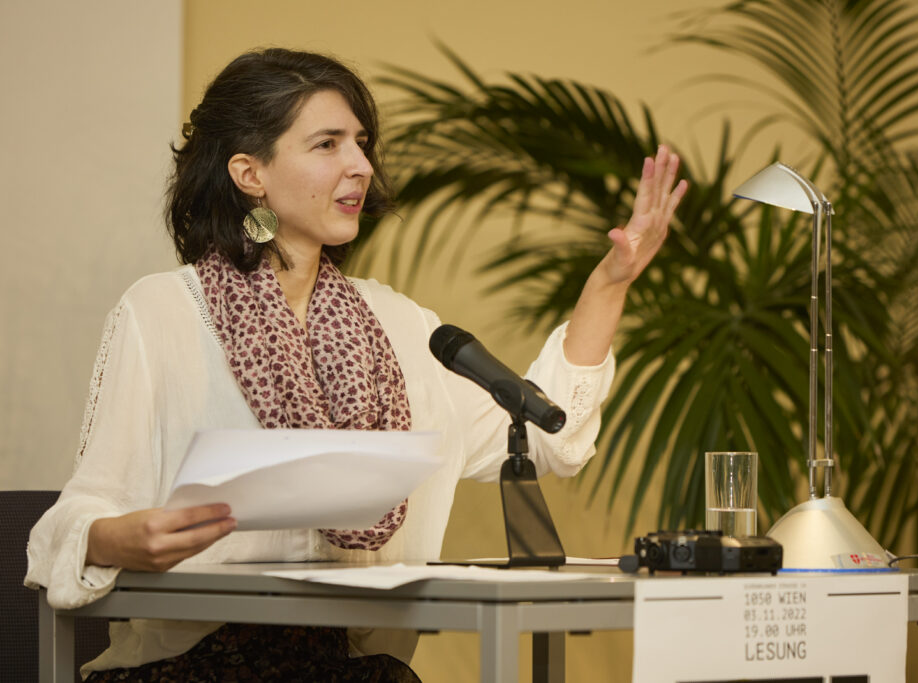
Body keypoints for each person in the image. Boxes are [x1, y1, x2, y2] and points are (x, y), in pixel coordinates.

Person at [25, 47, 687, 681]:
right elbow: (75, 520)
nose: (361, 165)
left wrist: (610, 283)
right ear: (250, 174)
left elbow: (546, 438)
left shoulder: (402, 326)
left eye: (362, 143)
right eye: (327, 144)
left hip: (354, 666)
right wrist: (119, 539)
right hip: (191, 666)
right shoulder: (163, 312)